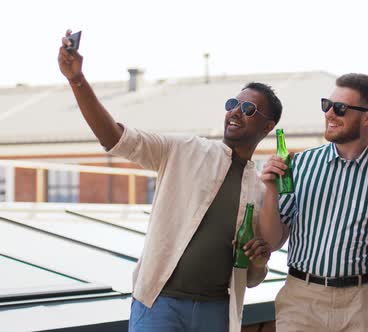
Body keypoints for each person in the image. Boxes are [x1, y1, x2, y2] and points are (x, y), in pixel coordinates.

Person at [58, 29, 281, 332]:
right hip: (159, 304)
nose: (235, 112)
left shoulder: (259, 188)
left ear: (268, 126)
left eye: (247, 109)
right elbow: (113, 137)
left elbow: (252, 277)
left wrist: (259, 260)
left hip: (217, 311)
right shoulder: (184, 150)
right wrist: (77, 80)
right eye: (232, 103)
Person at [260, 73, 368, 331]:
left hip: (362, 306)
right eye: (327, 105)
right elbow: (273, 240)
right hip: (300, 303)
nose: (330, 114)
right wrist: (270, 189)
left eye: (341, 108)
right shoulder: (300, 165)